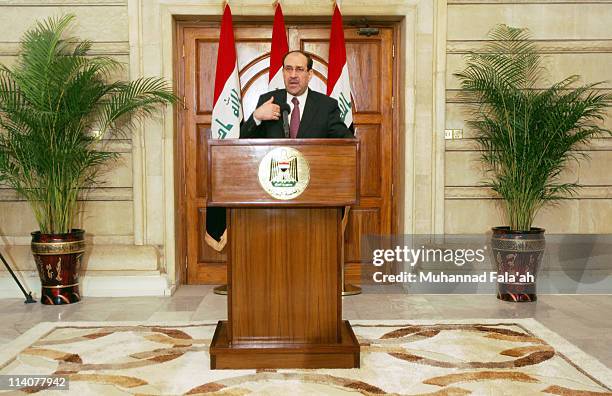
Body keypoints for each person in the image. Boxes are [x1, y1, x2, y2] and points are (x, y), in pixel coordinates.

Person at [240, 50, 353, 138]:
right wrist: (256, 117)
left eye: (299, 69)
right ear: (283, 72)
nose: (293, 75)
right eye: (288, 69)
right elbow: (244, 141)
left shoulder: (326, 106)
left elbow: (346, 142)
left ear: (309, 74)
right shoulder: (268, 100)